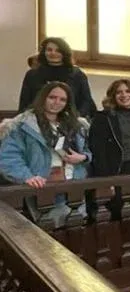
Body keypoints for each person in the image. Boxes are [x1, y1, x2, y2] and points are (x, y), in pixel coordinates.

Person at [0, 82, 91, 226]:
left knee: (76, 230)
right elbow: (9, 158)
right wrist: (26, 176)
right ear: (43, 98)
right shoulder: (22, 125)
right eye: (52, 97)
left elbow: (88, 149)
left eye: (62, 99)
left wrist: (83, 157)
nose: (57, 102)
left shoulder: (77, 124)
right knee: (48, 234)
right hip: (43, 186)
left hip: (73, 184)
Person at [18, 37, 97, 118]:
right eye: (49, 50)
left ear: (65, 53)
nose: (53, 53)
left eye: (58, 50)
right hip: (38, 121)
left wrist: (75, 119)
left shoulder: (77, 74)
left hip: (71, 121)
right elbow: (24, 103)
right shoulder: (32, 75)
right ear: (44, 52)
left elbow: (86, 101)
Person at [89, 79, 130, 176]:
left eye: (128, 91)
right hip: (117, 170)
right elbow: (99, 153)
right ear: (113, 96)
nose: (124, 95)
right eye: (119, 92)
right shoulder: (103, 118)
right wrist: (106, 181)